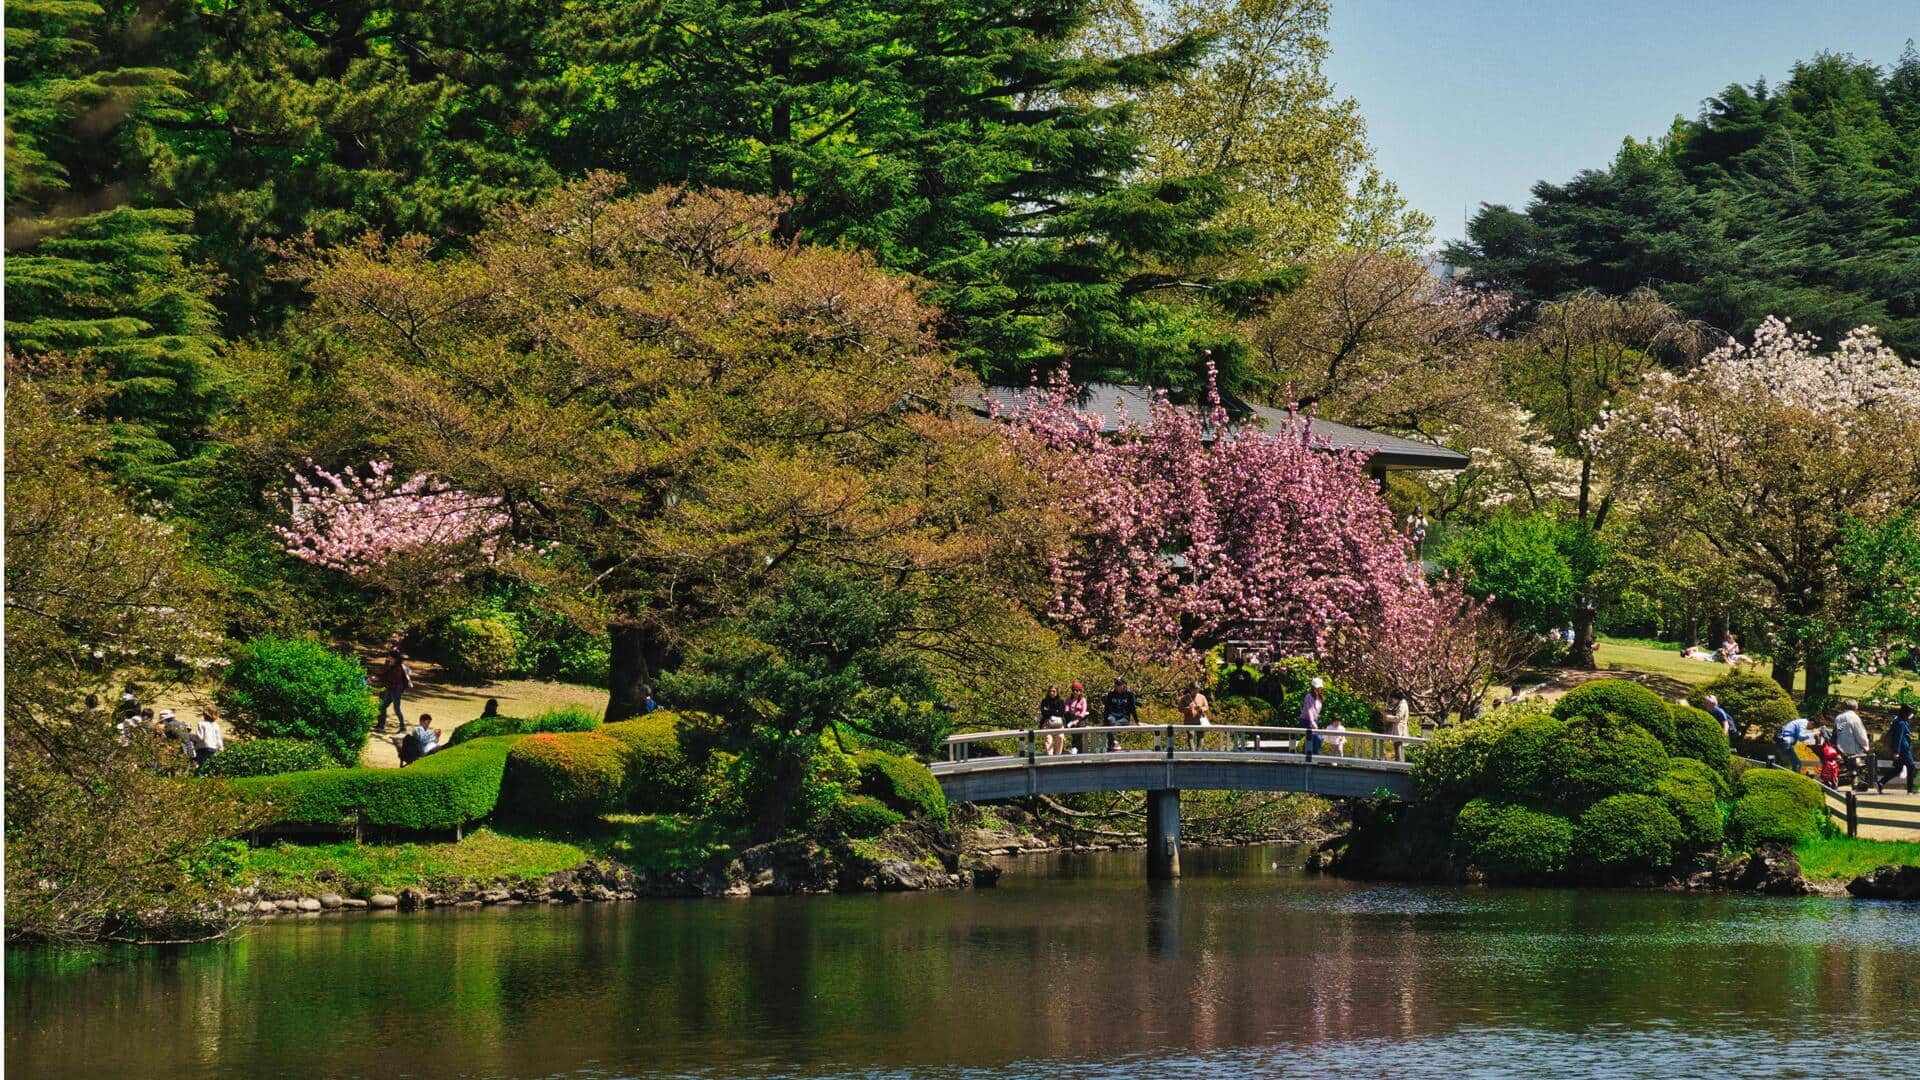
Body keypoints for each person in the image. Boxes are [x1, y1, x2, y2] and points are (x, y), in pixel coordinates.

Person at [1833, 700, 1873, 790]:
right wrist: (1865, 746)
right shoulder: (1854, 718)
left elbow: (1838, 731)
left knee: (1846, 766)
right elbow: (1860, 734)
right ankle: (1855, 784)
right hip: (1852, 748)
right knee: (1855, 766)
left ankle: (1840, 782)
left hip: (1840, 747)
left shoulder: (1839, 718)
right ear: (1855, 707)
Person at [1879, 704, 1916, 795]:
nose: (1911, 714)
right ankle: (1910, 790)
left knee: (1898, 768)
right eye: (1910, 712)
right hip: (1903, 749)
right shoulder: (1901, 723)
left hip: (1901, 749)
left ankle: (1881, 782)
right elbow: (1898, 738)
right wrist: (1896, 751)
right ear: (1906, 713)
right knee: (1911, 767)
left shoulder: (1898, 720)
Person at [377, 649, 413, 732]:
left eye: (389, 656)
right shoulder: (392, 665)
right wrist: (379, 677)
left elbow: (394, 679)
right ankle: (381, 726)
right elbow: (386, 676)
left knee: (396, 709)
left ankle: (403, 727)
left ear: (394, 658)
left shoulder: (398, 668)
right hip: (390, 690)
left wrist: (382, 679)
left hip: (396, 691)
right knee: (382, 707)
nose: (388, 657)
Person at [1103, 678, 1138, 752]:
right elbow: (1106, 709)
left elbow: (1133, 709)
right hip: (1112, 716)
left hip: (1124, 718)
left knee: (1113, 724)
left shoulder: (1130, 694)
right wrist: (1104, 721)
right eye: (1115, 684)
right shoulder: (1111, 694)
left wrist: (1137, 721)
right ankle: (1115, 743)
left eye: (1118, 684)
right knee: (1110, 720)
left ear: (1124, 685)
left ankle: (1112, 745)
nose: (1116, 686)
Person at [1299, 678, 1325, 762]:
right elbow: (1309, 710)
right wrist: (1312, 722)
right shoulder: (1309, 696)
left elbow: (1316, 710)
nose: (1318, 689)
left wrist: (1315, 720)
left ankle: (1311, 756)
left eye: (1319, 687)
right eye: (1317, 687)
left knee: (1314, 739)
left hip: (1314, 720)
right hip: (1307, 720)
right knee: (1315, 737)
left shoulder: (1319, 697)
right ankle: (1311, 756)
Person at [1179, 682, 1210, 750]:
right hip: (1189, 721)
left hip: (1200, 721)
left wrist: (1201, 708)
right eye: (1195, 689)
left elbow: (1206, 706)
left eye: (1197, 689)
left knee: (1201, 736)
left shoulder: (1202, 697)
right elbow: (1180, 709)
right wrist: (1188, 708)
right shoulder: (1184, 698)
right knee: (1190, 736)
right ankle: (1192, 752)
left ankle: (1198, 753)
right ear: (1190, 689)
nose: (1196, 691)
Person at [1038, 686, 1067, 756]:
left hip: (1059, 723)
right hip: (1047, 723)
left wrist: (1049, 711)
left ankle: (1057, 756)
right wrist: (1055, 711)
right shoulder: (1044, 701)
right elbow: (1044, 713)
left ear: (1057, 692)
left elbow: (1061, 713)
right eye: (1050, 691)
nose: (1052, 693)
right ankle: (1050, 756)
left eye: (1054, 691)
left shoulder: (1061, 701)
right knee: (1048, 738)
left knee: (1060, 737)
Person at [1064, 682, 1089, 754]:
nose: (1075, 692)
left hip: (1080, 719)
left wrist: (1077, 720)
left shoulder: (1083, 700)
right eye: (1074, 690)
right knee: (1073, 729)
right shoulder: (1068, 699)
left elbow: (1083, 711)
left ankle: (1077, 748)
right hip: (1071, 718)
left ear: (1080, 691)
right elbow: (1066, 709)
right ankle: (1075, 748)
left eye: (1077, 690)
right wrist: (1069, 711)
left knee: (1079, 729)